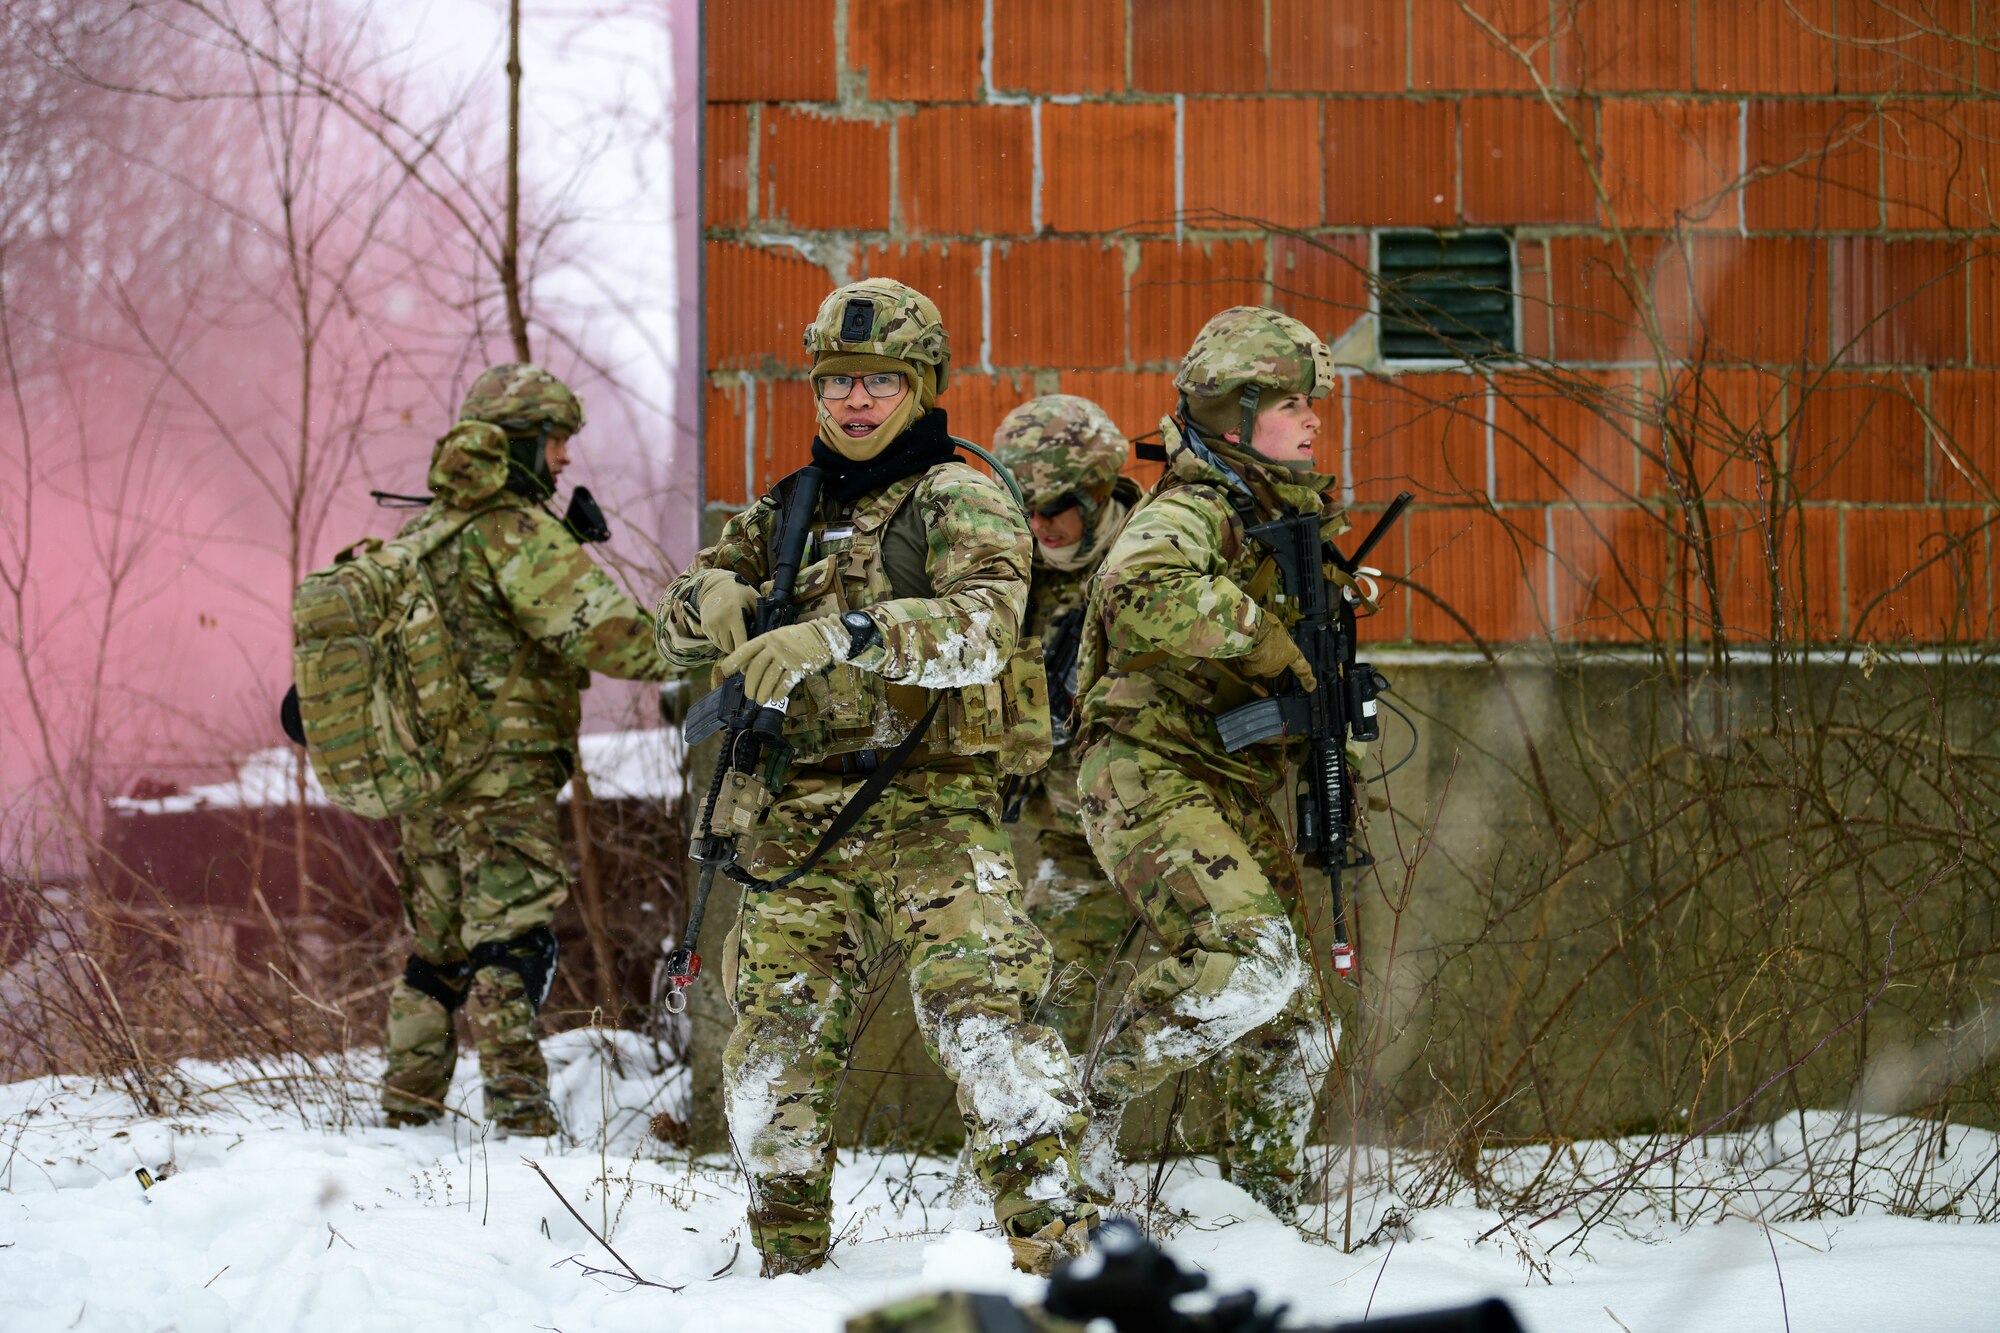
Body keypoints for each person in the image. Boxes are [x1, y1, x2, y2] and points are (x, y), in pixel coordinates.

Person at [654, 279, 1098, 1277]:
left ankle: (1060, 1257)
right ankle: (787, 1269)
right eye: (839, 381)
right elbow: (665, 622)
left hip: (933, 803)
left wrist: (848, 632)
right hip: (800, 813)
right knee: (769, 1048)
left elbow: (986, 626)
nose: (856, 402)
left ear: (921, 386)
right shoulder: (786, 507)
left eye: (880, 382)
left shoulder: (957, 493)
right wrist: (708, 596)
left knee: (984, 1023)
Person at [1071, 306, 1359, 1220]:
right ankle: (1074, 1112)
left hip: (1220, 776)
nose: (1313, 417)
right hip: (1143, 765)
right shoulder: (1198, 506)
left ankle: (1266, 1210)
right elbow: (1137, 589)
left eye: (1312, 401)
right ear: (1233, 415)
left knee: (1298, 1017)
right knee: (1252, 955)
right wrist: (1266, 637)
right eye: (1289, 402)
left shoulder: (1272, 513)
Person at [380, 363, 673, 1136]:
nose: (564, 460)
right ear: (517, 446)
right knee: (510, 946)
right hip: (501, 780)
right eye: (553, 444)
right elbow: (609, 632)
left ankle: (404, 1115)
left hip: (424, 780)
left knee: (434, 952)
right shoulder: (515, 532)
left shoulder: (419, 533)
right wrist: (701, 650)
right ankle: (520, 1121)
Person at [990, 396, 1140, 1054]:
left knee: (1236, 984)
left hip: (1175, 828)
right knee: (1041, 1002)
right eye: (1024, 509)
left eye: (1055, 508)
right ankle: (1043, 1148)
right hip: (1074, 842)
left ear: (1098, 491)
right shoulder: (1013, 576)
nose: (1039, 526)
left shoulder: (1154, 562)